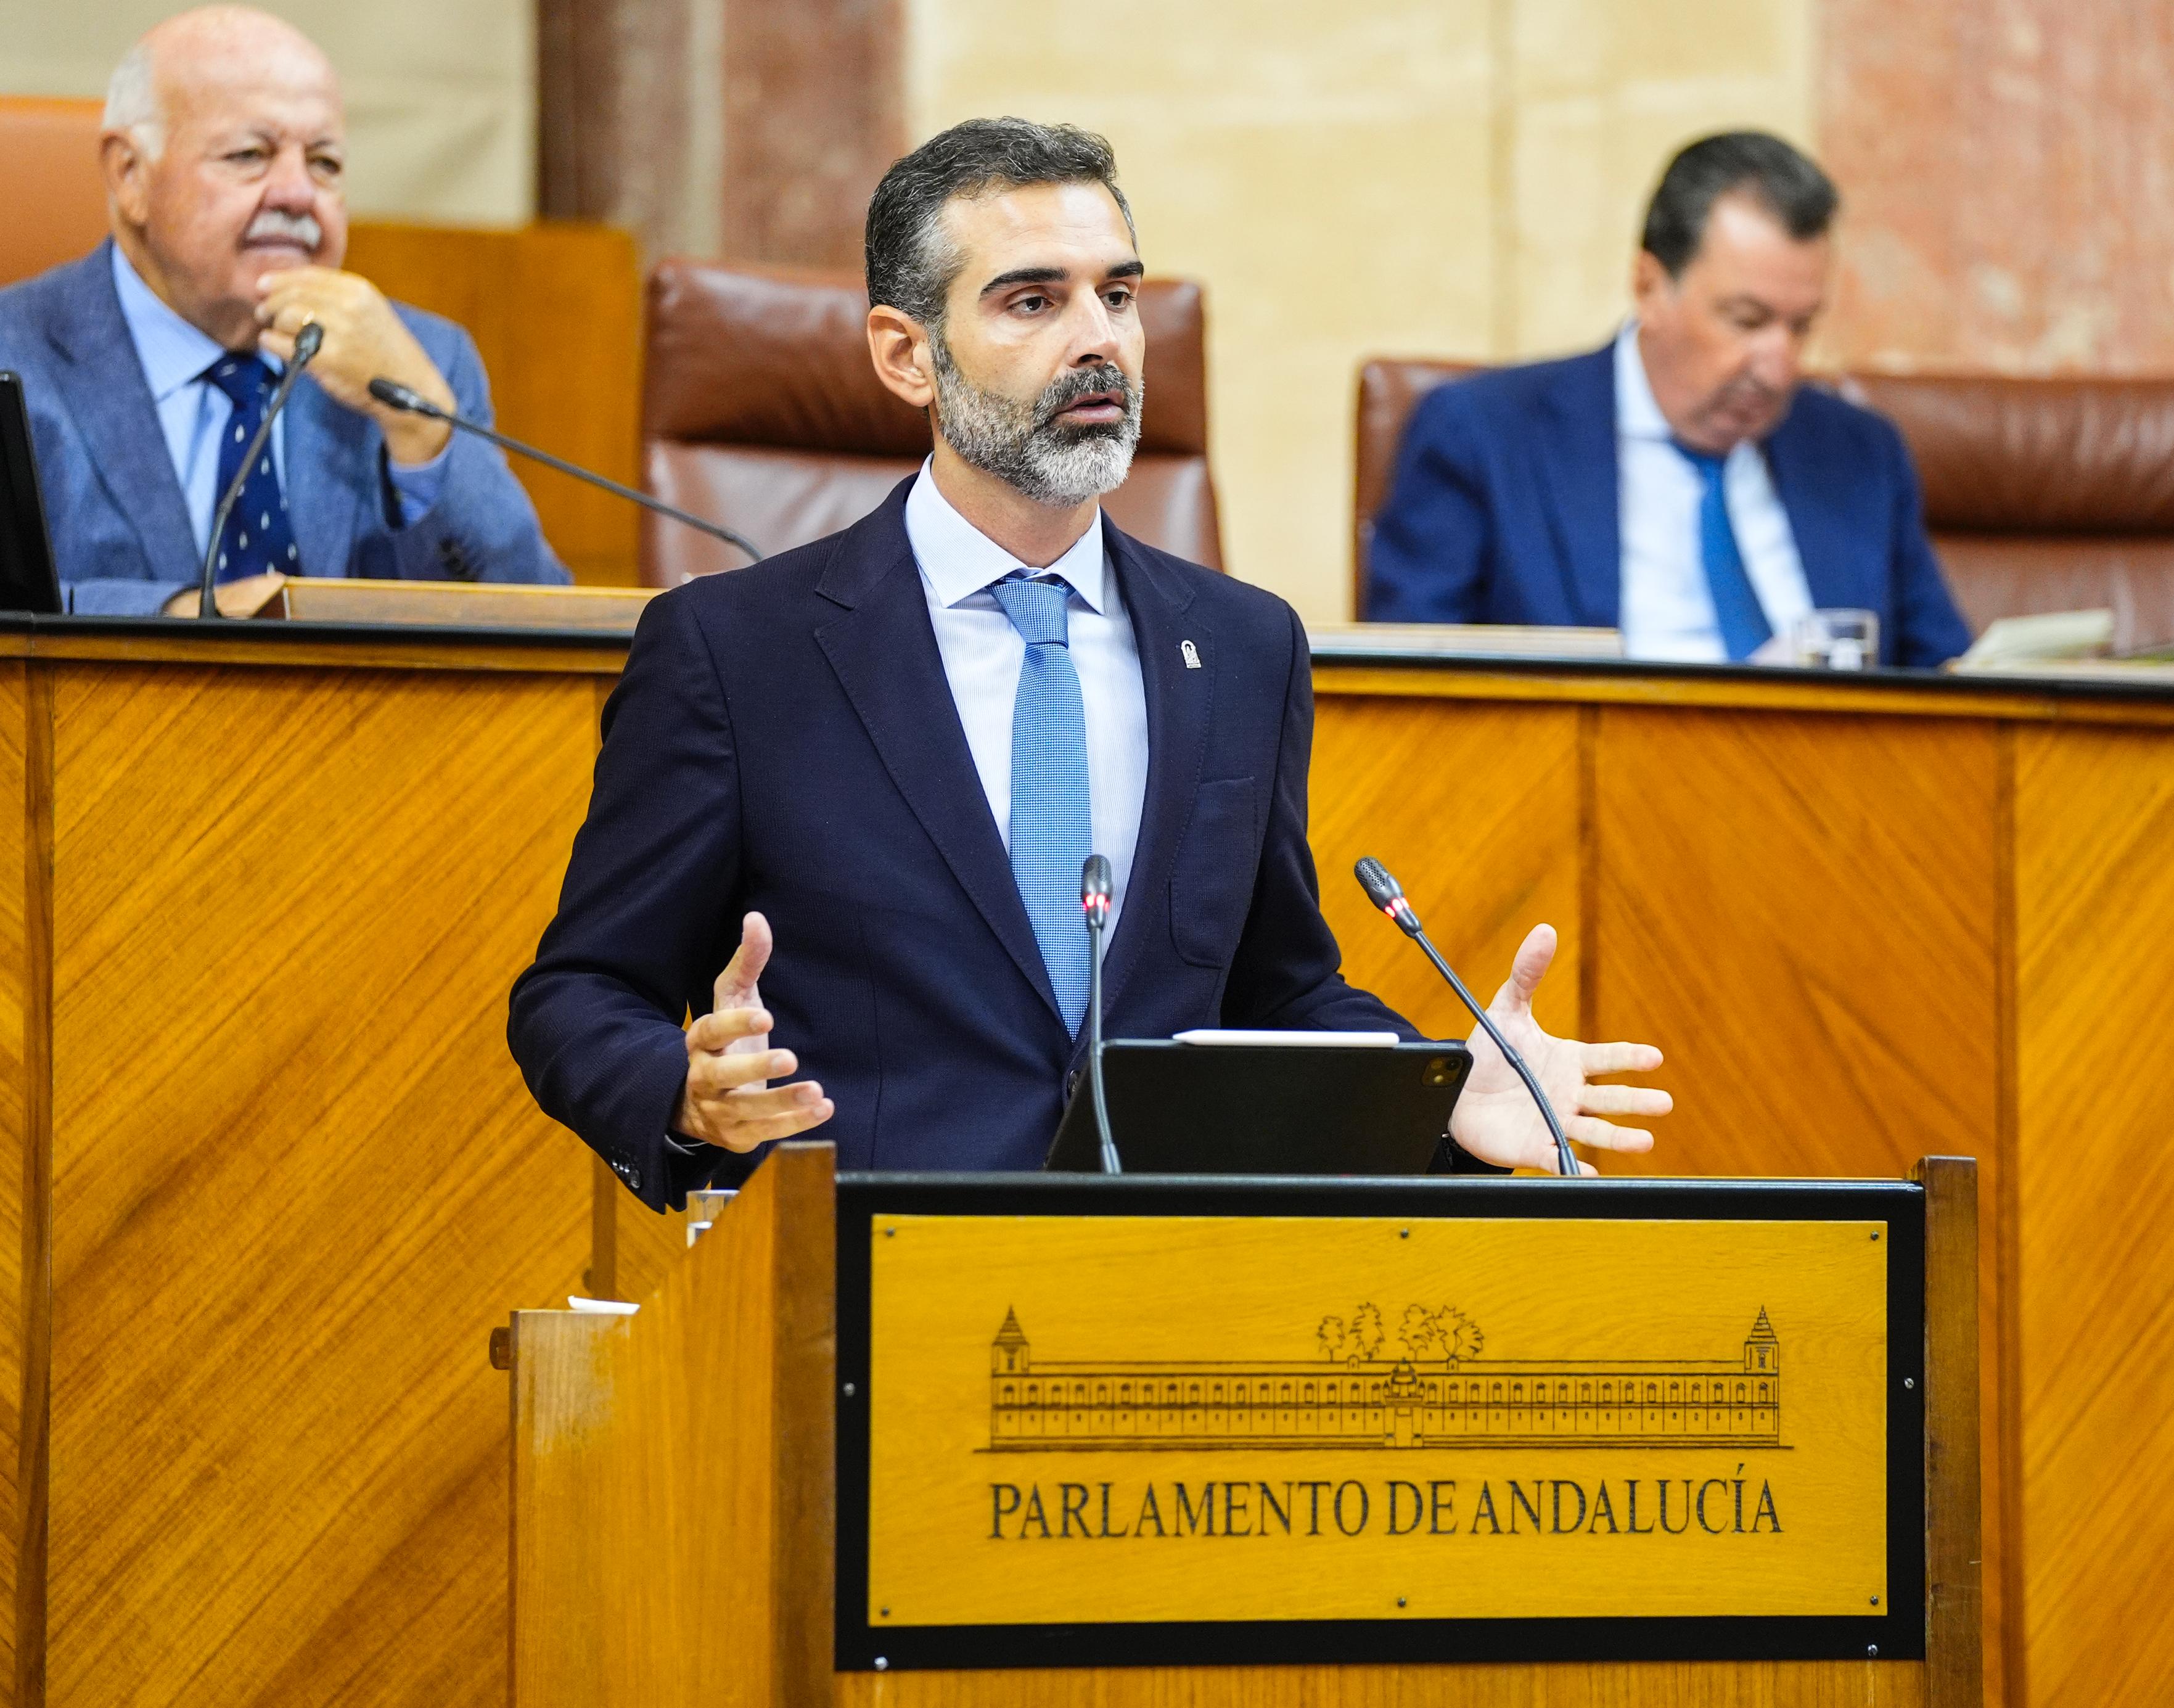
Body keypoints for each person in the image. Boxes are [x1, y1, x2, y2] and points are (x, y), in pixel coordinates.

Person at [509, 120, 1670, 1209]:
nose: (1100, 338)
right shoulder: (735, 650)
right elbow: (579, 995)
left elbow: (1275, 992)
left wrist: (1444, 1097)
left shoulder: (1244, 647)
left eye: (1118, 294)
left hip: (1159, 1291)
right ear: (906, 356)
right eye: (1033, 300)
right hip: (855, 1289)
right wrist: (686, 1096)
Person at [0, 6, 567, 615]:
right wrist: (176, 616)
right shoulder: (18, 350)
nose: (298, 194)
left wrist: (424, 428)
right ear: (130, 174)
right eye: (250, 154)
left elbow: (539, 625)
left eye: (325, 163)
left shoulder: (425, 360)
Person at [1364, 131, 1971, 668]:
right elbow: (1415, 699)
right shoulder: (1485, 437)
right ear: (1649, 287)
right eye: (1746, 319)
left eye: (1801, 326)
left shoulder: (1859, 453)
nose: (1780, 366)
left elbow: (1952, 682)